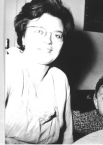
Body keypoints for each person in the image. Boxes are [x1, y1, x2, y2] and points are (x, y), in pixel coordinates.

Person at [5, 0, 74, 144]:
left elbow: (67, 135)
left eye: (57, 35)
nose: (48, 41)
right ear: (23, 36)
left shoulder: (60, 79)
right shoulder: (7, 67)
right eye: (39, 31)